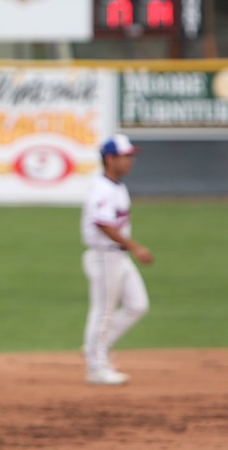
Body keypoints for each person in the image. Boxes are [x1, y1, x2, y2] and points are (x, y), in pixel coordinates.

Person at [81, 133, 153, 386]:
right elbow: (103, 224)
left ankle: (96, 347)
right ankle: (96, 367)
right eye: (125, 156)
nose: (130, 161)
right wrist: (136, 247)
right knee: (103, 311)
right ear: (110, 159)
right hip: (104, 255)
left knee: (138, 305)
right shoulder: (101, 188)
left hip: (117, 256)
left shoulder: (117, 187)